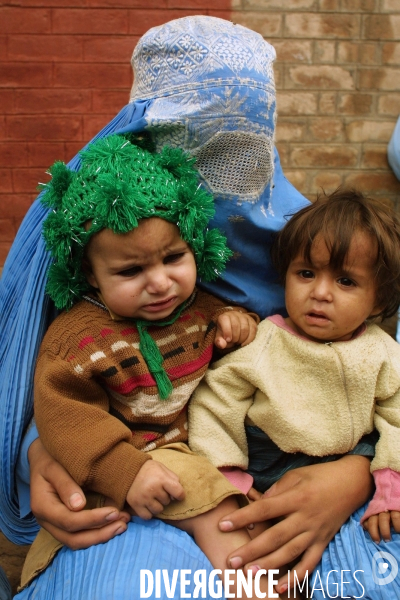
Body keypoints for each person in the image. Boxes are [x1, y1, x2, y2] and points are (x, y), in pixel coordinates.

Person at [1, 14, 396, 600]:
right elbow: (60, 376)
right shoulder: (109, 243)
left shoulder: (310, 243)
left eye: (240, 149)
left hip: (320, 482)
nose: (219, 174)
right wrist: (48, 454)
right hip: (145, 477)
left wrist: (357, 476)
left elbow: (380, 376)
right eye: (188, 148)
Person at [30, 132, 272, 598]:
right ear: (89, 277)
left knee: (239, 509)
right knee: (218, 514)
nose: (160, 283)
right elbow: (64, 416)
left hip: (184, 455)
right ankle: (253, 587)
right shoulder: (78, 340)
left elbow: (221, 348)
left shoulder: (196, 308)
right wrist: (124, 470)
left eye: (174, 257)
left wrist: (236, 322)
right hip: (124, 463)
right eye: (130, 271)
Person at [189, 189, 400, 588]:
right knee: (263, 561)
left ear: (378, 300)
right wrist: (230, 481)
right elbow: (215, 407)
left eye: (345, 281)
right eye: (306, 273)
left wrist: (391, 482)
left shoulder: (382, 353)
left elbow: (397, 415)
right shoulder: (264, 342)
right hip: (265, 473)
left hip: (343, 470)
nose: (320, 292)